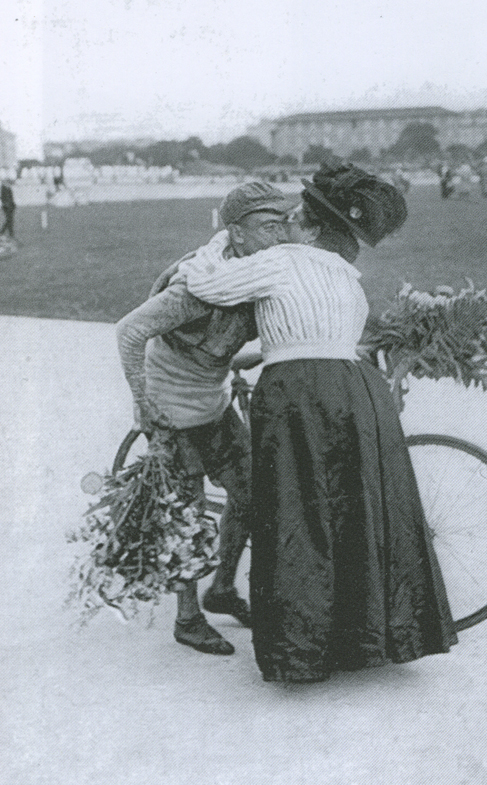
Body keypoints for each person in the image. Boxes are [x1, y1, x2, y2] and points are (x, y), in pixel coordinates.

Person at [181, 161, 458, 682]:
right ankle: (363, 637)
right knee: (349, 510)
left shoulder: (282, 259)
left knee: (296, 511)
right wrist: (263, 351)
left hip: (297, 396)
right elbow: (317, 333)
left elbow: (209, 285)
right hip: (353, 391)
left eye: (293, 217)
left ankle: (301, 649)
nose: (284, 224)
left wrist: (220, 241)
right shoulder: (344, 275)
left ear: (307, 225)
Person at [116, 182, 293, 655]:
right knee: (186, 514)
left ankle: (222, 589)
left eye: (283, 224)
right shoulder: (197, 285)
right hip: (172, 408)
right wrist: (142, 400)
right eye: (267, 226)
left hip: (211, 399)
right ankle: (188, 618)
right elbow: (130, 331)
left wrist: (237, 360)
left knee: (252, 490)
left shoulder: (253, 273)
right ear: (235, 233)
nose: (280, 235)